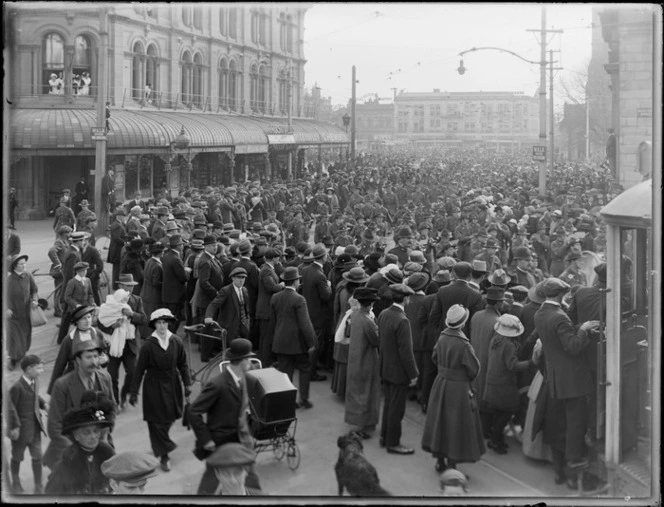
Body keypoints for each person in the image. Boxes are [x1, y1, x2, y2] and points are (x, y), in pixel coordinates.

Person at [534, 278, 598, 485]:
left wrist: (576, 327)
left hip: (555, 377)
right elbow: (573, 347)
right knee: (576, 425)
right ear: (561, 295)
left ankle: (560, 470)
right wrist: (585, 328)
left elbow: (556, 336)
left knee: (560, 424)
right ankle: (573, 468)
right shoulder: (560, 316)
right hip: (573, 381)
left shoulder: (540, 313)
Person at [189, 339, 262, 495]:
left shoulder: (241, 379)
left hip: (240, 440)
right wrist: (206, 439)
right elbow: (193, 411)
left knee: (249, 474)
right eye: (248, 359)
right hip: (220, 443)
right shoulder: (217, 384)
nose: (250, 362)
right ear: (240, 361)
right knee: (213, 477)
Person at [421, 304, 485, 473]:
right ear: (463, 323)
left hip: (441, 383)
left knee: (440, 422)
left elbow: (434, 357)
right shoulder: (464, 344)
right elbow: (474, 369)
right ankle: (452, 465)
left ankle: (440, 461)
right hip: (458, 389)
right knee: (456, 425)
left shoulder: (442, 338)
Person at [129, 308, 192, 473]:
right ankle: (164, 454)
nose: (162, 326)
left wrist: (187, 384)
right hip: (154, 386)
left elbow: (183, 365)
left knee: (170, 417)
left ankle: (160, 444)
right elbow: (139, 369)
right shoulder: (148, 346)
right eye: (159, 323)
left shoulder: (176, 341)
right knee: (156, 420)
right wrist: (134, 391)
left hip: (172, 383)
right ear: (154, 325)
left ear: (169, 323)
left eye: (165, 322)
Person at [44, 338, 115, 470]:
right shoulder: (62, 385)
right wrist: (75, 452)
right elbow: (54, 427)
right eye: (88, 357)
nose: (94, 361)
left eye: (96, 356)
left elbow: (112, 410)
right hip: (71, 446)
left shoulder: (105, 378)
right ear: (77, 360)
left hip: (99, 441)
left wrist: (104, 435)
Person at [482, 314, 534, 454]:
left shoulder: (495, 340)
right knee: (507, 410)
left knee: (497, 410)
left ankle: (495, 438)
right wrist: (530, 363)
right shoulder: (509, 345)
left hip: (492, 381)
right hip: (504, 384)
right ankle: (495, 440)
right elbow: (512, 366)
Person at [378, 283, 419, 455]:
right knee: (397, 409)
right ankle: (393, 442)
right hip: (398, 372)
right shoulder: (403, 320)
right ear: (406, 299)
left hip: (385, 367)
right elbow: (406, 352)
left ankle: (384, 436)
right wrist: (413, 374)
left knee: (388, 404)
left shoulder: (383, 314)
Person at [269, 266, 318, 408]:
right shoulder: (299, 299)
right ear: (296, 281)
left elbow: (272, 322)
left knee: (285, 371)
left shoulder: (275, 297)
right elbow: (305, 324)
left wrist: (273, 341)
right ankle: (303, 399)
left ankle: (287, 401)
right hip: (298, 342)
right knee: (304, 368)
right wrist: (311, 343)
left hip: (280, 340)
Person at [97, 275, 147, 408]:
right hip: (114, 344)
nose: (130, 289)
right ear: (120, 286)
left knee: (132, 372)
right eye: (127, 286)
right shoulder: (111, 302)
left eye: (131, 286)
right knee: (112, 376)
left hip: (130, 344)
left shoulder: (137, 300)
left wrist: (131, 315)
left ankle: (124, 394)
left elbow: (143, 319)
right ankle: (115, 401)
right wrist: (111, 327)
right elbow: (101, 322)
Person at [44, 403, 115, 495]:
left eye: (96, 431)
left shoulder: (108, 455)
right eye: (87, 432)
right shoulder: (67, 462)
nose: (93, 436)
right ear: (76, 436)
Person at [344, 287, 381, 438]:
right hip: (367, 360)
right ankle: (361, 427)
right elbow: (376, 340)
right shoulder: (368, 320)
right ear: (370, 304)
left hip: (354, 358)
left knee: (355, 391)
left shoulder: (355, 316)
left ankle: (354, 423)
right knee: (366, 393)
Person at [8, 355, 47, 494]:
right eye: (39, 368)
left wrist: (44, 404)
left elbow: (35, 397)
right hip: (20, 431)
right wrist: (14, 427)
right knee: (17, 457)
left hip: (35, 428)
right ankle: (16, 483)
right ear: (29, 369)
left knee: (38, 457)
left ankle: (38, 485)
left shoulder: (35, 381)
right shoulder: (17, 387)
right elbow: (9, 408)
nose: (41, 371)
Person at [469, 287, 505, 438]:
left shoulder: (476, 315)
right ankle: (483, 430)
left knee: (474, 392)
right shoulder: (498, 322)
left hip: (473, 359)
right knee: (486, 397)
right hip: (488, 363)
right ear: (498, 304)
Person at [204, 267, 251, 360]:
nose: (241, 280)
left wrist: (247, 320)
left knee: (242, 350)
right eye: (239, 277)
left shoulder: (245, 290)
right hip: (230, 326)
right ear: (233, 278)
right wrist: (208, 316)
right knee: (234, 352)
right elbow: (214, 304)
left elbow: (245, 308)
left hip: (243, 326)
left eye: (243, 278)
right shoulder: (226, 290)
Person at [300, 243, 333, 379]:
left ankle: (308, 366)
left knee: (309, 341)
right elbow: (326, 295)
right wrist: (329, 286)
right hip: (319, 314)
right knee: (316, 344)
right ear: (323, 257)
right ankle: (311, 372)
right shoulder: (320, 274)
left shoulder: (306, 269)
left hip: (308, 310)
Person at [6, 254, 39, 371]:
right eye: (21, 264)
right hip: (13, 316)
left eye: (25, 263)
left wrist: (35, 300)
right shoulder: (9, 280)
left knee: (25, 337)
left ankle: (21, 355)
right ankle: (13, 359)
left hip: (26, 314)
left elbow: (34, 290)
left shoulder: (28, 276)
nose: (24, 265)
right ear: (15, 266)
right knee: (15, 338)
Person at [255, 247, 284, 367]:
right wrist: (282, 285)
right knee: (266, 337)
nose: (279, 259)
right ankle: (265, 362)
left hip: (265, 308)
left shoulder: (266, 268)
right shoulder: (267, 270)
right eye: (277, 257)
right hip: (266, 308)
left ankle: (263, 361)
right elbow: (271, 287)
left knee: (264, 337)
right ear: (273, 258)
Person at [161, 234, 189, 333]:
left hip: (167, 293)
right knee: (174, 318)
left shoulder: (166, 255)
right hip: (175, 295)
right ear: (179, 246)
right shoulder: (176, 259)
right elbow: (183, 278)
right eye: (181, 244)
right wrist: (187, 272)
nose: (182, 246)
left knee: (168, 317)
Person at [108, 209, 128, 286]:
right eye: (123, 216)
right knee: (117, 268)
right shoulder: (117, 225)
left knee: (116, 268)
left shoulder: (116, 224)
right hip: (117, 250)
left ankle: (115, 284)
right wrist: (125, 242)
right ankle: (116, 285)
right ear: (119, 216)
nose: (123, 218)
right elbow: (117, 238)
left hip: (115, 249)